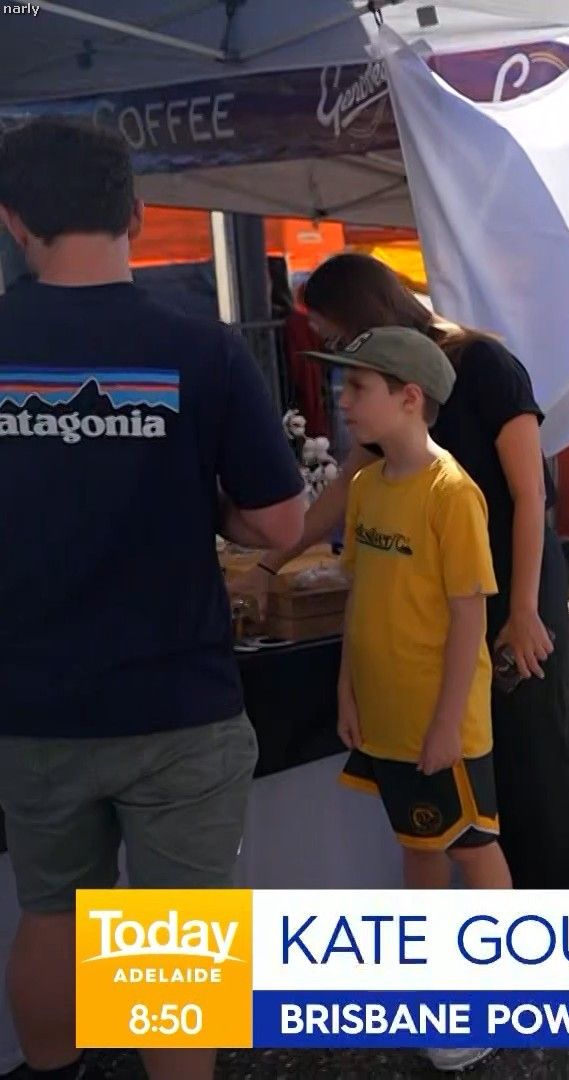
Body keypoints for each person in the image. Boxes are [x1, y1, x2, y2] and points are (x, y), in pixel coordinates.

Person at [0, 119, 304, 1080]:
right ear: (135, 213)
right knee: (172, 937)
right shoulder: (202, 348)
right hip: (177, 701)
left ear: (14, 222)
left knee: (51, 912)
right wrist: (198, 497)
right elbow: (281, 523)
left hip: (31, 703)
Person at [241, 253, 569, 893]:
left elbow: (530, 495)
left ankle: (568, 919)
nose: (338, 356)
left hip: (511, 587)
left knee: (533, 771)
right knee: (471, 802)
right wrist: (271, 559)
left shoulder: (482, 363)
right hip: (447, 603)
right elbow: (347, 486)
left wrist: (523, 610)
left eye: (336, 335)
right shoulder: (388, 390)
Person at [316, 327, 507, 1073]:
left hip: (441, 723)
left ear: (409, 398)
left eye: (358, 387)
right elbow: (360, 596)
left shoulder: (451, 493)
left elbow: (470, 617)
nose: (343, 400)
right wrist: (347, 688)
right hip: (388, 718)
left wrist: (446, 725)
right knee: (419, 847)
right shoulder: (366, 487)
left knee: (473, 847)